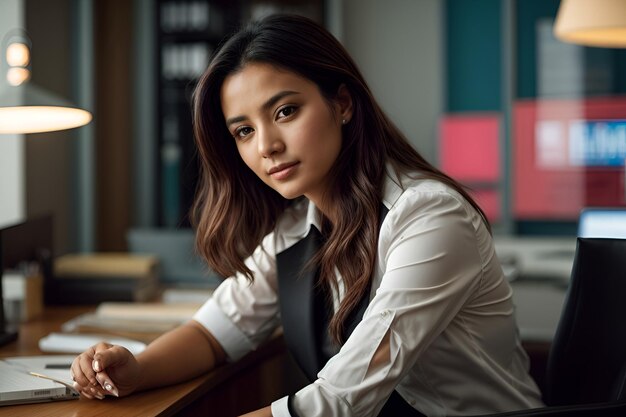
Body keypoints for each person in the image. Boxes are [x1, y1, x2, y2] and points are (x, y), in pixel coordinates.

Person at [71, 13, 544, 417]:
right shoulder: (298, 225)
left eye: (285, 111)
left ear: (341, 104)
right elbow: (215, 332)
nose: (266, 146)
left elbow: (342, 397)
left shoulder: (429, 217)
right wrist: (136, 368)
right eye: (243, 131)